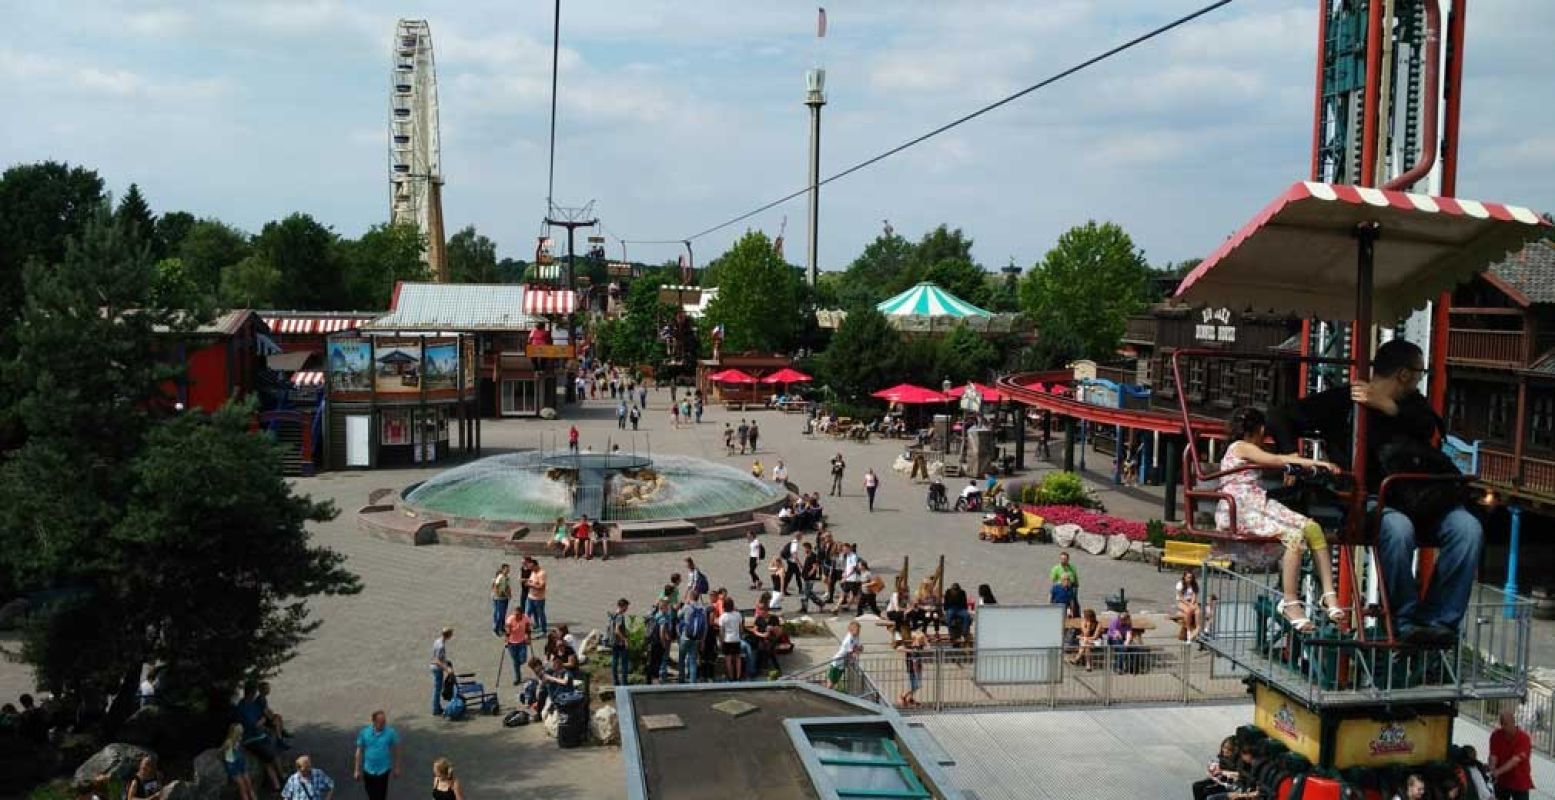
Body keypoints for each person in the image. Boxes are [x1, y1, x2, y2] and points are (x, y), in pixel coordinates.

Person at [1268, 339, 1481, 643]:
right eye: (1419, 373)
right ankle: (1405, 619)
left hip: (1422, 499)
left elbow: (1427, 425)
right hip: (1371, 500)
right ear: (1405, 374)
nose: (1420, 380)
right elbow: (1279, 415)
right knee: (1398, 529)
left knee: (1468, 528)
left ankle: (1440, 619)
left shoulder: (1413, 407)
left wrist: (1387, 406)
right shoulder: (1342, 402)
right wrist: (1290, 456)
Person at [1219, 405, 1345, 633]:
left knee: (1312, 528)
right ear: (1259, 430)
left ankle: (1329, 594)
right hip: (1244, 508)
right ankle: (1289, 601)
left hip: (1256, 503)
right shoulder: (1241, 447)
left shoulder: (1239, 449)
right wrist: (1316, 463)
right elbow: (1275, 459)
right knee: (1294, 536)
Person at [353, 711, 401, 800]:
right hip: (368, 770)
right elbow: (359, 751)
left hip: (383, 770)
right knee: (370, 792)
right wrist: (356, 770)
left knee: (381, 795)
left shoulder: (390, 733)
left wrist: (397, 767)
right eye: (381, 722)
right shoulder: (364, 733)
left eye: (384, 721)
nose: (383, 724)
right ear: (374, 722)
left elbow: (397, 749)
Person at [1488, 707, 1534, 800]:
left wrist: (1497, 772)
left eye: (1506, 724)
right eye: (1502, 724)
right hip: (1502, 781)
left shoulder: (1524, 738)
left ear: (1513, 722)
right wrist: (1492, 769)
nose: (1503, 727)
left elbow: (1515, 760)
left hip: (1519, 781)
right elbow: (1493, 755)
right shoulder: (1496, 735)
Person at [678, 590, 709, 683]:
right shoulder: (702, 609)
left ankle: (681, 679)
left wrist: (682, 607)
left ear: (690, 597)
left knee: (681, 658)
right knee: (693, 661)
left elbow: (678, 615)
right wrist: (703, 640)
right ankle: (693, 682)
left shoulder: (687, 606)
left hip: (685, 636)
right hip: (696, 638)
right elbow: (705, 626)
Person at [220, 724, 256, 800]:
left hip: (241, 763)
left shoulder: (239, 740)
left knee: (249, 785)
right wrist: (225, 757)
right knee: (242, 787)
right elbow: (221, 752)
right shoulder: (229, 742)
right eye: (240, 731)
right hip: (233, 766)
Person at [827, 620, 862, 690]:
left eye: (859, 630)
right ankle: (826, 693)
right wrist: (857, 651)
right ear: (851, 630)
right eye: (856, 630)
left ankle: (829, 691)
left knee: (835, 681)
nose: (858, 631)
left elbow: (857, 647)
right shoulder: (848, 639)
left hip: (843, 663)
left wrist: (858, 649)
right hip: (837, 663)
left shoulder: (856, 636)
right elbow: (851, 651)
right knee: (832, 682)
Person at [429, 627, 454, 717]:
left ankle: (437, 707)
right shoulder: (441, 646)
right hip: (437, 668)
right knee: (437, 689)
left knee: (437, 688)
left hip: (434, 666)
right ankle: (436, 709)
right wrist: (447, 670)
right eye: (451, 634)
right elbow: (437, 661)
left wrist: (446, 662)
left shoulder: (437, 641)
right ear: (448, 635)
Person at [606, 598, 631, 687]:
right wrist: (625, 639)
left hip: (613, 641)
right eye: (626, 607)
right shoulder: (620, 616)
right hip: (620, 643)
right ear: (623, 606)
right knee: (624, 663)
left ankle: (615, 681)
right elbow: (617, 630)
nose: (627, 609)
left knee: (615, 661)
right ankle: (624, 682)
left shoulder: (613, 615)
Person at [718, 602, 745, 681]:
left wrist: (721, 641)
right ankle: (738, 676)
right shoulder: (738, 615)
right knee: (738, 658)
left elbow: (721, 631)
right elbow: (741, 629)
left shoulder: (723, 617)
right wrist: (740, 637)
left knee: (728, 659)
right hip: (736, 639)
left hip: (727, 640)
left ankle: (731, 677)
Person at [1177, 570, 1202, 641]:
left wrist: (1192, 603)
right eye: (1188, 577)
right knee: (1189, 611)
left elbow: (1194, 595)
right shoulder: (1180, 584)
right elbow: (1180, 597)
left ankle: (1197, 628)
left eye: (1191, 577)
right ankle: (1188, 630)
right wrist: (1189, 604)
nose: (1190, 579)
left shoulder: (1194, 584)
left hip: (1191, 601)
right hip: (1182, 601)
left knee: (1197, 611)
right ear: (1184, 577)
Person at [525, 557, 548, 633]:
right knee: (527, 613)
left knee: (541, 614)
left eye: (532, 568)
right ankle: (525, 629)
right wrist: (528, 582)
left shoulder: (542, 573)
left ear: (535, 565)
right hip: (530, 596)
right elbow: (531, 581)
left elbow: (542, 587)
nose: (531, 569)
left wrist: (531, 585)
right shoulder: (533, 572)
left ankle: (543, 630)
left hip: (539, 598)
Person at [490, 563, 512, 637]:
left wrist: (509, 594)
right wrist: (497, 594)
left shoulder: (507, 577)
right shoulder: (500, 577)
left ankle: (502, 627)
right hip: (499, 598)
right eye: (506, 569)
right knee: (500, 614)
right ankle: (496, 629)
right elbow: (496, 586)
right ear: (503, 569)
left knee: (503, 613)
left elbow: (508, 586)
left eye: (508, 569)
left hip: (505, 597)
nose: (508, 570)